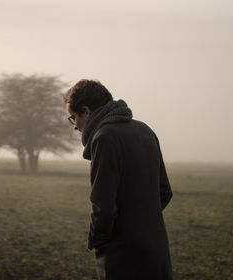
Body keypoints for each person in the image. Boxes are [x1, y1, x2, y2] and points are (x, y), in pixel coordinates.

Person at [64, 79, 173, 280]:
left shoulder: (104, 138)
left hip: (123, 256)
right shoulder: (145, 130)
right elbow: (164, 191)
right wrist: (143, 223)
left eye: (73, 118)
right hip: (157, 249)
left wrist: (98, 241)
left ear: (86, 111)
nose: (75, 126)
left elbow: (103, 206)